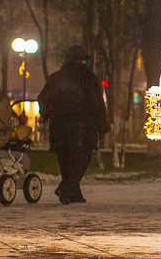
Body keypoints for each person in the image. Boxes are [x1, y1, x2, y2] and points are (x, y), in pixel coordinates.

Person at [38, 45, 109, 204]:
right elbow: (97, 102)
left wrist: (46, 114)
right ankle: (67, 187)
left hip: (59, 126)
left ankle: (74, 192)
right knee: (82, 159)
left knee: (65, 160)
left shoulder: (56, 77)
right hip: (83, 126)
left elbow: (43, 98)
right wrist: (102, 123)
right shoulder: (88, 78)